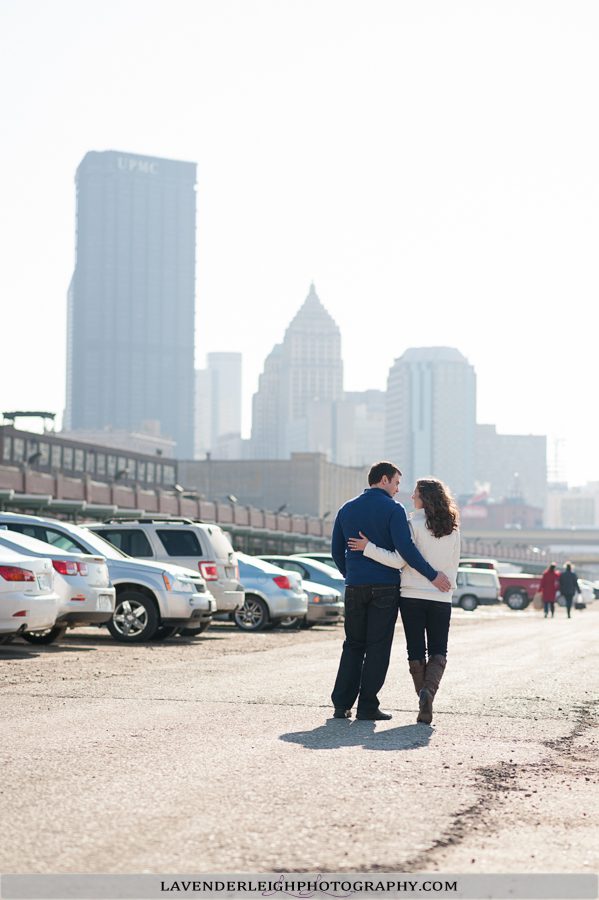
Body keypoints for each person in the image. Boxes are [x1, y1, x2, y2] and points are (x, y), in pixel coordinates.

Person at [330, 462, 452, 722]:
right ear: (384, 479)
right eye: (396, 483)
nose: (398, 489)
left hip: (354, 586)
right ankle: (367, 707)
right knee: (377, 647)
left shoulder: (346, 508)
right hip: (385, 587)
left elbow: (336, 551)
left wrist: (350, 574)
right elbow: (406, 551)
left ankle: (341, 705)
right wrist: (432, 575)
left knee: (352, 644)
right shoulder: (393, 509)